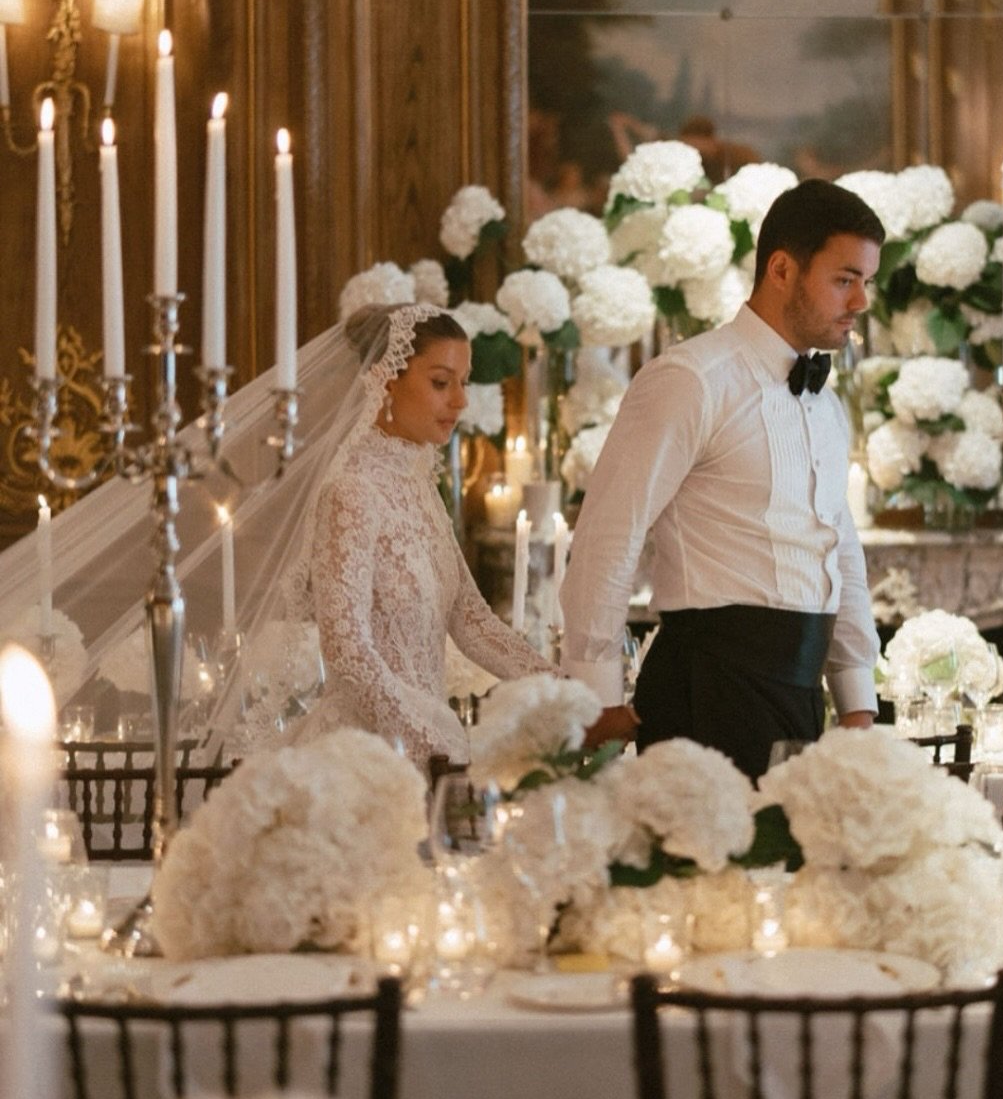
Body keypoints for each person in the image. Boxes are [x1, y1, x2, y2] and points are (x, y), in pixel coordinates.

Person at [560, 179, 883, 779]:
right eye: (845, 280)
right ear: (782, 269)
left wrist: (856, 698)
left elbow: (841, 549)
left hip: (800, 695)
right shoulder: (691, 379)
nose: (862, 301)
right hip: (706, 690)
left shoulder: (826, 404)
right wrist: (596, 693)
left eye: (868, 281)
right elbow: (610, 532)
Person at [285, 303, 553, 771]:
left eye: (464, 383)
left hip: (430, 751)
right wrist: (421, 734)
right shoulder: (351, 492)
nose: (460, 401)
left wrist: (560, 687)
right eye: (440, 382)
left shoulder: (419, 487)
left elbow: (469, 618)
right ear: (386, 382)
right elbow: (345, 644)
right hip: (363, 757)